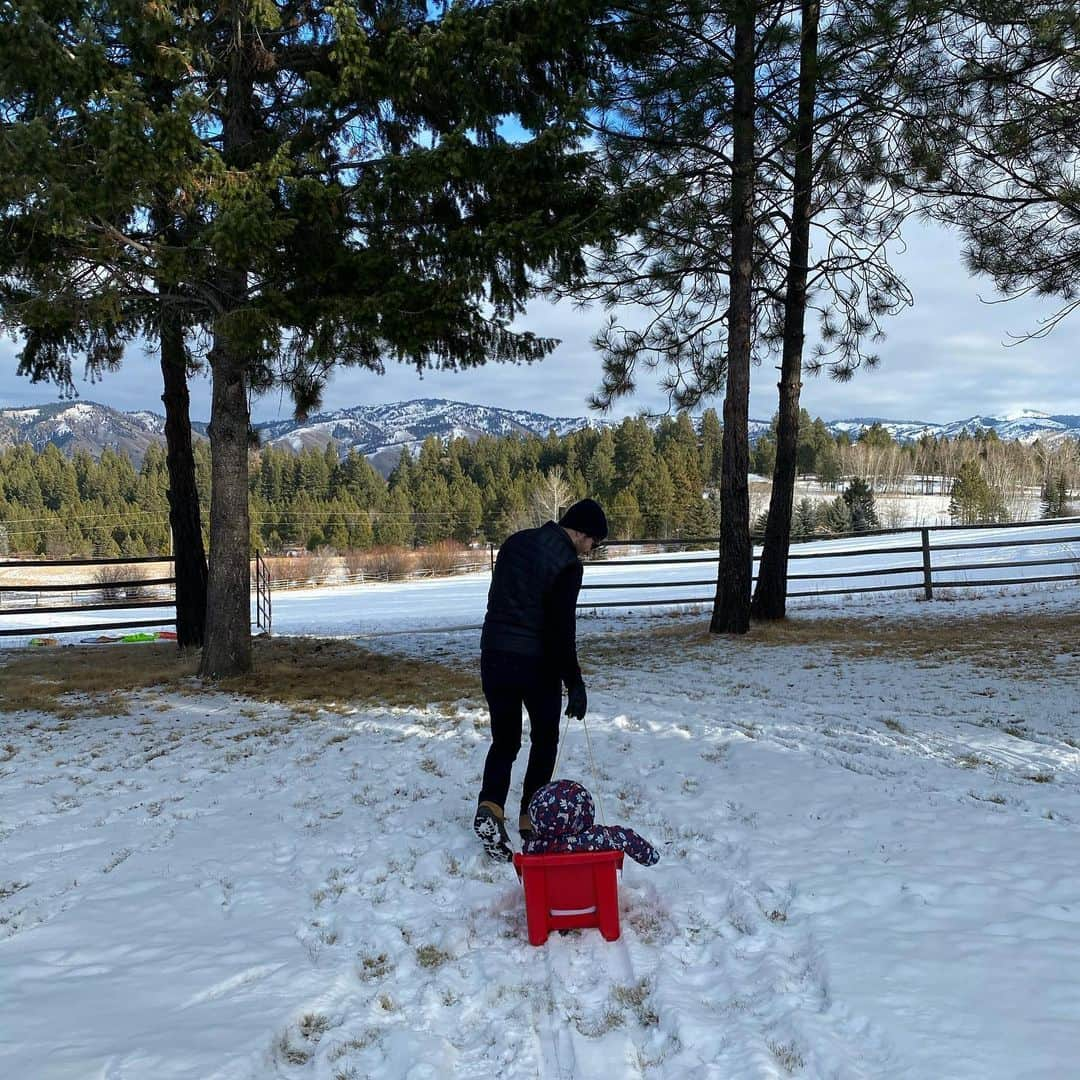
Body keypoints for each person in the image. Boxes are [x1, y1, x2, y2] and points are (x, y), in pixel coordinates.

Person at [473, 498, 608, 862]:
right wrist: (574, 681)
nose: (592, 548)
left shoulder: (515, 542)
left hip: (494, 654)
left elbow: (498, 601)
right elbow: (560, 628)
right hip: (536, 663)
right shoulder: (568, 566)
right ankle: (530, 817)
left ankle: (491, 807)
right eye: (593, 541)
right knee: (545, 739)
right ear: (579, 532)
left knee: (504, 740)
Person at [522, 779, 660, 866]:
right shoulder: (598, 839)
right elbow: (627, 837)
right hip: (592, 902)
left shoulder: (534, 847)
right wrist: (650, 857)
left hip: (552, 904)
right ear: (584, 812)